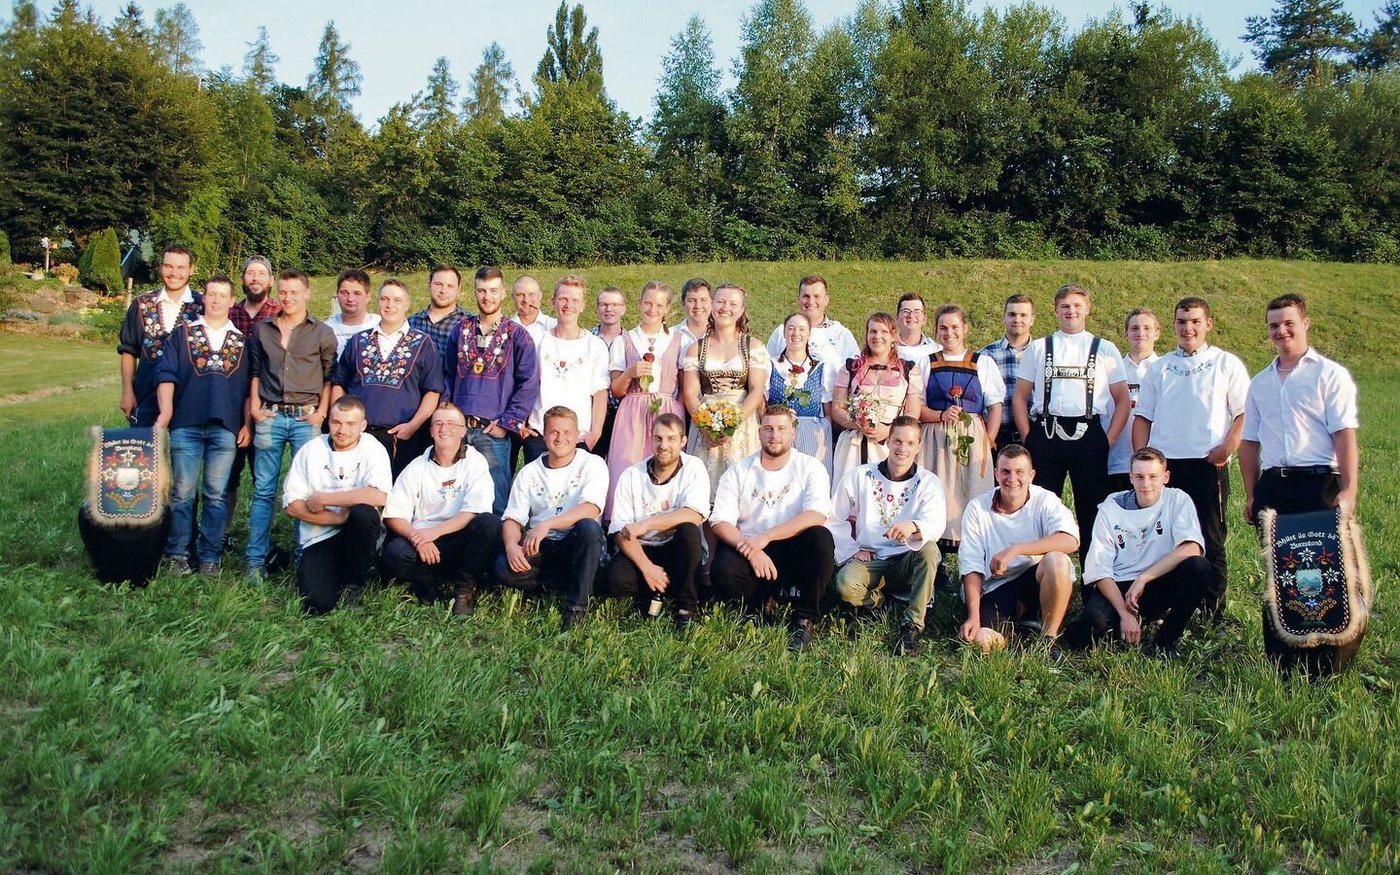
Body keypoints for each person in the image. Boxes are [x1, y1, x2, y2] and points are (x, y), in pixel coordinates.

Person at [1133, 296, 1249, 621]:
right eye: (1182, 322)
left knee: (1210, 538)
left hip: (1206, 464)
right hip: (1166, 469)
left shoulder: (1226, 363)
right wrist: (1143, 458)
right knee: (1164, 537)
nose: (1189, 328)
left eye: (1196, 321)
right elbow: (1142, 417)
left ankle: (1213, 612)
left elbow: (1243, 413)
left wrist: (1227, 448)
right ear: (1173, 326)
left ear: (1208, 324)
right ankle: (1165, 603)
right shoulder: (1159, 368)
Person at [1012, 283, 1129, 564]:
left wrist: (1107, 440)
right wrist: (1030, 438)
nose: (1071, 311)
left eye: (1077, 306)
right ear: (1055, 310)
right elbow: (1020, 397)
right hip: (1046, 433)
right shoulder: (1039, 348)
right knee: (1039, 509)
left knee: (1092, 512)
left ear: (1087, 309)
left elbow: (1122, 400)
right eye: (1065, 306)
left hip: (1090, 435)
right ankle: (1035, 583)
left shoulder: (1105, 349)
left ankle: (1093, 587)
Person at [710, 405, 836, 651]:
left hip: (792, 547)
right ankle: (755, 607)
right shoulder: (739, 471)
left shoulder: (810, 467)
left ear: (793, 433)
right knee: (723, 570)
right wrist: (752, 550)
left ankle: (803, 617)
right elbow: (720, 521)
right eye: (768, 428)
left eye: (781, 429)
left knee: (821, 539)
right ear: (759, 433)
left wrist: (766, 537)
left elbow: (816, 514)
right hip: (750, 547)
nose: (774, 435)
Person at [1067, 447, 1211, 657]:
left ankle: (1166, 641)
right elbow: (1099, 569)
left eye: (1153, 476)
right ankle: (1123, 624)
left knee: (1200, 567)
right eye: (1139, 477)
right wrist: (1124, 613)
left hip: (1157, 580)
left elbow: (1192, 547)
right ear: (1131, 478)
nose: (1146, 484)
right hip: (1120, 584)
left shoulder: (1177, 500)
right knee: (1093, 626)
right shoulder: (1110, 508)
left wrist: (1144, 578)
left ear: (1166, 477)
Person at [152, 275, 252, 575]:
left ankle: (210, 555)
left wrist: (246, 423)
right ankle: (178, 554)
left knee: (216, 493)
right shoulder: (183, 334)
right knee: (183, 492)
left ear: (232, 301)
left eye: (223, 295)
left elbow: (249, 387)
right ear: (203, 298)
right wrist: (166, 413)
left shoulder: (241, 341)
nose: (216, 300)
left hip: (225, 428)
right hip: (186, 424)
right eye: (211, 294)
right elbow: (166, 374)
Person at [245, 268, 338, 582]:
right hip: (270, 416)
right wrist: (255, 407)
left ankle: (304, 559)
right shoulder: (263, 330)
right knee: (264, 491)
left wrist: (321, 414)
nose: (288, 298)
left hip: (305, 418)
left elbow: (329, 377)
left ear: (307, 294)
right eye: (283, 292)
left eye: (294, 292)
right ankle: (254, 561)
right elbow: (255, 372)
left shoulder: (322, 333)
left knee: (306, 492)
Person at [829, 416, 946, 655]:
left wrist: (913, 525)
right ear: (888, 442)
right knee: (844, 584)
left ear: (919, 446)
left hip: (906, 558)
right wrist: (852, 549)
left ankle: (912, 623)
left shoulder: (928, 482)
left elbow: (936, 523)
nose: (903, 449)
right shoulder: (861, 475)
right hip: (871, 559)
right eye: (898, 441)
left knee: (930, 549)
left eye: (910, 443)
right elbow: (833, 516)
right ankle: (879, 602)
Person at [1241, 293, 1359, 523]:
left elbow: (1344, 435)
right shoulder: (1259, 383)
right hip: (1273, 486)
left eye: (1288, 323)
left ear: (1305, 323)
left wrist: (1350, 490)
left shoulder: (1330, 375)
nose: (1281, 331)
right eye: (1274, 325)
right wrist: (1252, 494)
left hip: (1320, 485)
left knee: (1324, 559)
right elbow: (1249, 442)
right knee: (1277, 560)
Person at [381, 403, 503, 616]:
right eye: (438, 423)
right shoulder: (417, 466)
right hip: (423, 542)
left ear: (463, 430)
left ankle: (464, 590)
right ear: (430, 431)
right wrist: (419, 538)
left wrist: (435, 532)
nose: (444, 428)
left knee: (489, 524)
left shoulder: (475, 462)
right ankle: (428, 581)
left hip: (459, 540)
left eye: (451, 423)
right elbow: (393, 516)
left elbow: (474, 510)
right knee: (394, 553)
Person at [497, 406, 609, 631]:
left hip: (576, 542)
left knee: (589, 529)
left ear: (577, 435)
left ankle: (576, 609)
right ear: (545, 434)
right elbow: (512, 517)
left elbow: (591, 508)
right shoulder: (529, 472)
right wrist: (511, 546)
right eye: (554, 432)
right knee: (501, 566)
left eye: (567, 432)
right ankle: (558, 583)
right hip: (542, 547)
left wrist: (547, 524)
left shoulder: (592, 464)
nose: (560, 438)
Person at [958, 445, 1079, 652]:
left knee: (1058, 561)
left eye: (1019, 472)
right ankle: (1021, 623)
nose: (1012, 478)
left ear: (1031, 475)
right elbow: (971, 567)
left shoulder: (1045, 499)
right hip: (994, 586)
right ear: (996, 474)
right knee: (983, 642)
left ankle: (1047, 642)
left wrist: (1016, 549)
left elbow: (1071, 540)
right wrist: (973, 617)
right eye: (1005, 471)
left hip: (1035, 579)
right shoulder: (977, 508)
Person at [442, 266, 540, 514]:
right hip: (458, 428)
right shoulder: (460, 331)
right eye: (482, 290)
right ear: (474, 293)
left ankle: (498, 552)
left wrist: (506, 423)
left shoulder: (518, 335)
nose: (487, 296)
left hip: (492, 429)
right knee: (453, 495)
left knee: (495, 501)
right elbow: (447, 376)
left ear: (503, 293)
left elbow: (528, 382)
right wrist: (448, 415)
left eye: (493, 291)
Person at [282, 395, 392, 615]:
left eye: (351, 424)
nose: (342, 430)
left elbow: (379, 496)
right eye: (336, 422)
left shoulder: (372, 448)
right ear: (329, 422)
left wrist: (325, 499)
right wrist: (339, 517)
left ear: (363, 425)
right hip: (319, 535)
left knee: (363, 514)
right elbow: (292, 505)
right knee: (317, 604)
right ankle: (328, 573)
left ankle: (353, 585)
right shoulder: (311, 450)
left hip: (357, 532)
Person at [601, 413, 710, 630]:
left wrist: (647, 523)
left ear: (683, 441)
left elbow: (694, 514)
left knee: (689, 530)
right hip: (643, 548)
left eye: (671, 439)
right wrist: (647, 567)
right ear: (651, 439)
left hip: (678, 547)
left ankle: (686, 608)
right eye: (658, 438)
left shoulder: (694, 467)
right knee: (615, 580)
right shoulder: (632, 474)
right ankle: (654, 588)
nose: (663, 445)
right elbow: (620, 531)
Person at [330, 279, 441, 479]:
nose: (390, 305)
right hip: (359, 435)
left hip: (401, 436)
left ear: (407, 305)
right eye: (385, 299)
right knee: (356, 496)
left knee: (398, 497)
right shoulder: (358, 341)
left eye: (397, 300)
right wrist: (342, 423)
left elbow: (432, 391)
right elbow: (339, 383)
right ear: (378, 302)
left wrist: (413, 426)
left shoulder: (423, 343)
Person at [918, 305, 1004, 552]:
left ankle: (974, 555)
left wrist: (988, 439)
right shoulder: (927, 363)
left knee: (972, 493)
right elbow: (917, 407)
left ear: (965, 328)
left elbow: (995, 405)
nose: (949, 333)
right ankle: (937, 557)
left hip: (972, 436)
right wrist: (941, 415)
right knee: (938, 492)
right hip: (935, 436)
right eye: (943, 328)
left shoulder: (983, 363)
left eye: (955, 326)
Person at [606, 281, 687, 516]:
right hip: (632, 412)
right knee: (627, 468)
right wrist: (630, 373)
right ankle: (621, 528)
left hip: (667, 410)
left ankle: (663, 528)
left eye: (659, 305)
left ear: (668, 308)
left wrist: (677, 413)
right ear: (640, 303)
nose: (652, 309)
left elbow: (683, 384)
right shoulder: (624, 340)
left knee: (666, 469)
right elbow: (616, 390)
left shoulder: (679, 339)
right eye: (648, 303)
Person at [681, 283, 770, 498]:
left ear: (741, 311)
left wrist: (732, 424)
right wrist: (706, 426)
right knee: (704, 493)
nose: (725, 308)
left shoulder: (753, 346)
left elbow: (756, 390)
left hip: (742, 423)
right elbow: (690, 394)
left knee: (743, 493)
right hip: (705, 422)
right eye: (720, 302)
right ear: (712, 305)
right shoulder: (696, 348)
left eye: (732, 304)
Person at [222, 255, 283, 548]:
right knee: (227, 475)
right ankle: (223, 532)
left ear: (271, 280)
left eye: (262, 274)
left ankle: (262, 537)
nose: (256, 278)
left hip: (267, 405)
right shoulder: (229, 313)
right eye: (250, 274)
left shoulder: (281, 313)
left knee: (264, 477)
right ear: (243, 279)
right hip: (230, 404)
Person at [522, 276, 611, 465]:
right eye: (563, 299)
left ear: (583, 305)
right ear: (553, 301)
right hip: (540, 435)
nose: (568, 305)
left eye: (575, 300)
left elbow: (600, 392)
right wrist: (522, 423)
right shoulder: (537, 340)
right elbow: (525, 383)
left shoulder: (595, 346)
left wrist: (594, 434)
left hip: (578, 438)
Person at [830, 313, 922, 490]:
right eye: (872, 331)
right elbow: (837, 407)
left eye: (883, 332)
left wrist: (889, 431)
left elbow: (912, 413)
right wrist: (860, 425)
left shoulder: (908, 369)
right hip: (854, 442)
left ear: (893, 336)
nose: (877, 337)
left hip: (890, 442)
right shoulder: (851, 367)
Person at [118, 243, 203, 426]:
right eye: (168, 266)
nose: (174, 273)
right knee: (146, 453)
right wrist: (127, 391)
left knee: (182, 454)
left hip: (189, 399)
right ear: (161, 267)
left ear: (191, 270)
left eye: (181, 267)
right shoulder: (142, 305)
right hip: (146, 394)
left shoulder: (203, 306)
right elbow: (128, 351)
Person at [767, 312, 833, 473]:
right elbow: (762, 402)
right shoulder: (771, 365)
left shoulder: (821, 367)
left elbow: (828, 409)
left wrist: (822, 431)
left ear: (809, 334)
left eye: (802, 329)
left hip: (812, 433)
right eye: (791, 328)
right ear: (784, 333)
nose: (796, 333)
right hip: (779, 433)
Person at [1105, 308, 1160, 493]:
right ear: (1126, 333)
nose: (1140, 333)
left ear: (1157, 333)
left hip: (1154, 466)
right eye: (1135, 328)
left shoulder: (1164, 370)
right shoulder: (1112, 371)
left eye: (1147, 328)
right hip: (1117, 462)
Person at [978, 294, 1035, 451]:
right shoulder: (986, 355)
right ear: (1004, 317)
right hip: (997, 433)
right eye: (1012, 314)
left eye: (1023, 315)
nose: (1017, 319)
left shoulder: (1041, 353)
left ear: (1032, 319)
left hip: (1033, 431)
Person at [764, 274, 860, 368]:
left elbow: (856, 372)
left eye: (816, 296)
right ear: (798, 299)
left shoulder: (841, 335)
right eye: (806, 296)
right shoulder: (782, 332)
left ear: (826, 300)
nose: (810, 302)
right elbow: (766, 370)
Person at [593, 286, 627, 458]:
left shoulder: (632, 342)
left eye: (615, 304)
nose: (609, 309)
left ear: (623, 308)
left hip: (621, 414)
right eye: (604, 304)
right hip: (592, 413)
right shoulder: (587, 340)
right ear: (597, 308)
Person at [409, 264, 467, 363]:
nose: (443, 291)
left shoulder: (468, 325)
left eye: (450, 286)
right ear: (429, 285)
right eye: (438, 284)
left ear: (458, 290)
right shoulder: (411, 323)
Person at [324, 268, 382, 356]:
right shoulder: (326, 329)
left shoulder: (380, 326)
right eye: (344, 293)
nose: (350, 299)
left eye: (357, 293)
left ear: (367, 296)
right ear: (337, 294)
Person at [672, 277, 712, 367]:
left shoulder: (721, 335)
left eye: (703, 300)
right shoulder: (670, 335)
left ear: (711, 302)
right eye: (691, 300)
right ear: (683, 303)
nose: (698, 306)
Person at [510, 274, 557, 347]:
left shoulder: (554, 326)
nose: (526, 300)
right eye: (520, 295)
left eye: (531, 294)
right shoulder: (505, 330)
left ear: (540, 296)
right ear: (513, 297)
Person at [895, 292, 939, 361]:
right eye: (906, 311)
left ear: (924, 319)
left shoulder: (936, 350)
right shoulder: (886, 349)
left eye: (917, 312)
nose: (911, 316)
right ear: (896, 318)